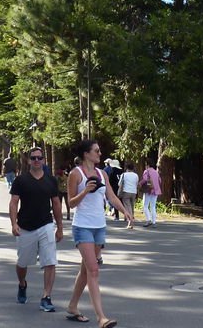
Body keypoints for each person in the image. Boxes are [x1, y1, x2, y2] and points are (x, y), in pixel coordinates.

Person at [65, 139, 132, 328]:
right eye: (96, 151)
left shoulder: (102, 174)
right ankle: (101, 317)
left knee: (86, 270)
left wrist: (125, 211)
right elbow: (70, 203)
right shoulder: (75, 174)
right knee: (93, 270)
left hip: (99, 227)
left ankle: (72, 306)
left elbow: (110, 196)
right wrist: (85, 190)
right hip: (82, 227)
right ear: (86, 154)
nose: (100, 154)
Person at [9, 146, 63, 313]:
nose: (37, 161)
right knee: (22, 263)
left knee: (50, 261)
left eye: (39, 158)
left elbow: (56, 204)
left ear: (44, 160)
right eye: (33, 158)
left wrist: (60, 227)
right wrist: (14, 224)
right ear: (29, 160)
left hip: (46, 224)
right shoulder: (21, 180)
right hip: (25, 226)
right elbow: (13, 203)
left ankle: (46, 297)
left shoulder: (51, 180)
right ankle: (22, 283)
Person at [137, 161, 162, 227]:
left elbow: (145, 179)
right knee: (153, 206)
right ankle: (154, 222)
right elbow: (160, 180)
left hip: (148, 190)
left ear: (147, 165)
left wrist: (140, 183)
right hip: (156, 190)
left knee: (145, 206)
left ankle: (148, 220)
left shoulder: (146, 171)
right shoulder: (156, 172)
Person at [118, 162, 138, 230]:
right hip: (134, 192)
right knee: (132, 207)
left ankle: (130, 221)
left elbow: (119, 184)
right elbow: (136, 183)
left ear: (126, 168)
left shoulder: (124, 175)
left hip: (126, 191)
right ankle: (131, 218)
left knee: (127, 207)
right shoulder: (136, 175)